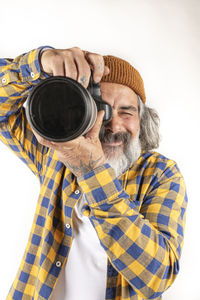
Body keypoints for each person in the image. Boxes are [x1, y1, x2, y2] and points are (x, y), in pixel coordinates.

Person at [0, 46, 187, 300]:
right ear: (83, 113)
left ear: (143, 120)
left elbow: (158, 275)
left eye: (127, 111)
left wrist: (93, 171)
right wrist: (40, 64)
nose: (113, 124)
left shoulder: (160, 174)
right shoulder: (56, 155)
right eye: (102, 108)